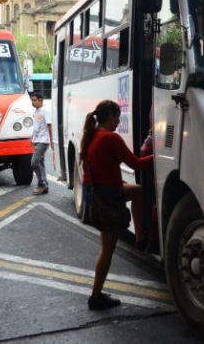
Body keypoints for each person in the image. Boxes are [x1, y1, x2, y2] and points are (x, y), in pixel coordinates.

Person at [81, 100, 153, 310]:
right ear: (110, 116)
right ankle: (95, 296)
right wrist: (164, 156)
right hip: (107, 197)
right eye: (117, 116)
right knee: (107, 249)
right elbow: (137, 164)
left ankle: (140, 238)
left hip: (94, 193)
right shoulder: (110, 138)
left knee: (136, 192)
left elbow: (99, 168)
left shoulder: (92, 134)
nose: (119, 121)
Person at [30, 92, 52, 195]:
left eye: (34, 100)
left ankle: (41, 184)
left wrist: (51, 141)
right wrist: (32, 138)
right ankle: (44, 185)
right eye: (32, 100)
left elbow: (49, 126)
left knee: (34, 163)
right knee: (41, 163)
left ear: (40, 100)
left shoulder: (45, 111)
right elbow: (36, 126)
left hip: (43, 141)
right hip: (37, 140)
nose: (32, 102)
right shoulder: (36, 111)